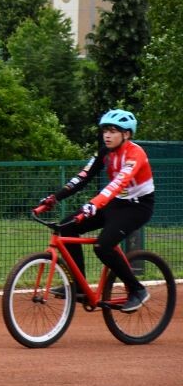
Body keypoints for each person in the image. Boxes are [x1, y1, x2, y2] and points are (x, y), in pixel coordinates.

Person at [35, 109, 154, 312]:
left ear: (126, 134)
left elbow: (118, 183)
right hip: (115, 203)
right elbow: (83, 176)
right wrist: (55, 197)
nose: (107, 135)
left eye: (113, 131)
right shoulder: (104, 152)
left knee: (103, 246)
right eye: (105, 130)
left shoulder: (136, 154)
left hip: (138, 206)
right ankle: (79, 287)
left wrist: (93, 205)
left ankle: (137, 290)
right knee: (66, 227)